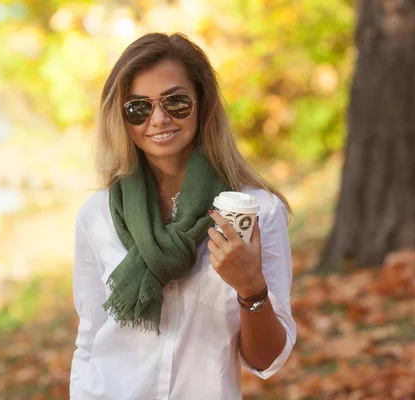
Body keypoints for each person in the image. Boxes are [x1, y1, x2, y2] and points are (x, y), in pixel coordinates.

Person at [69, 32, 296, 400]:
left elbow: (267, 360)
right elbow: (91, 339)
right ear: (122, 118)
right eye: (138, 108)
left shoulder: (254, 210)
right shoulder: (97, 216)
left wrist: (250, 287)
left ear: (201, 103)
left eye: (175, 102)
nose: (158, 119)